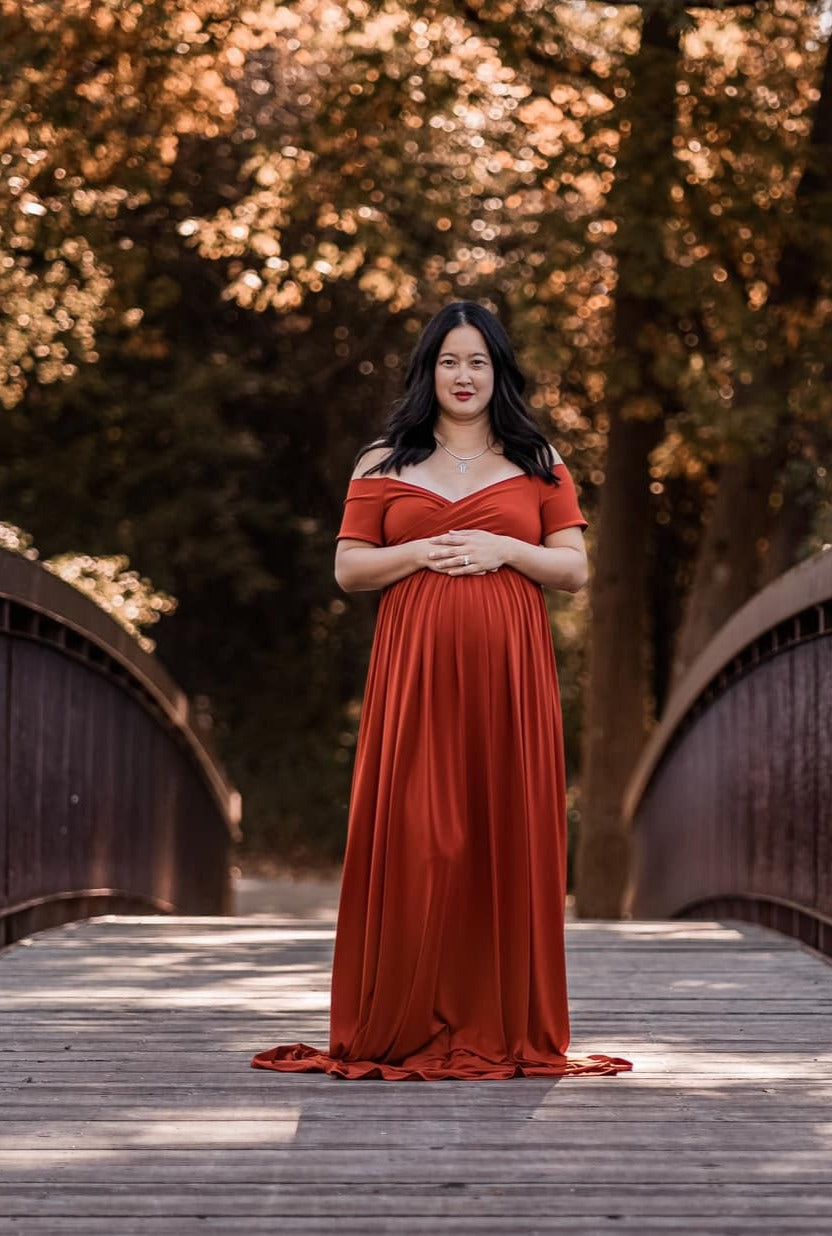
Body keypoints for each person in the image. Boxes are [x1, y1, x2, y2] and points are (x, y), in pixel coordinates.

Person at [250, 301, 633, 1080]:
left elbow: (573, 569)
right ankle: (405, 1012)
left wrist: (502, 546)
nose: (464, 376)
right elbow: (350, 568)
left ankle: (499, 1017)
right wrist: (423, 550)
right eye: (449, 362)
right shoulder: (383, 462)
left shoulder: (538, 461)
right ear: (428, 372)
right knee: (423, 836)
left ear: (499, 373)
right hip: (414, 675)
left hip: (509, 679)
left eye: (478, 362)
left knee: (499, 832)